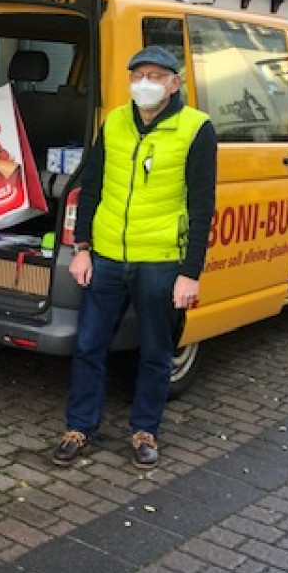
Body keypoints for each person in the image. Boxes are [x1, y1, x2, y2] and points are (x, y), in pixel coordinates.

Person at [52, 45, 217, 470]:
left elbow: (202, 207)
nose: (145, 83)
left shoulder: (196, 129)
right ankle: (80, 427)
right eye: (138, 74)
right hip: (105, 257)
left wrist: (189, 273)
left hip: (160, 261)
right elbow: (91, 187)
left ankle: (145, 429)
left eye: (156, 76)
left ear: (175, 83)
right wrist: (82, 248)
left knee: (156, 351)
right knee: (89, 344)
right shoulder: (114, 123)